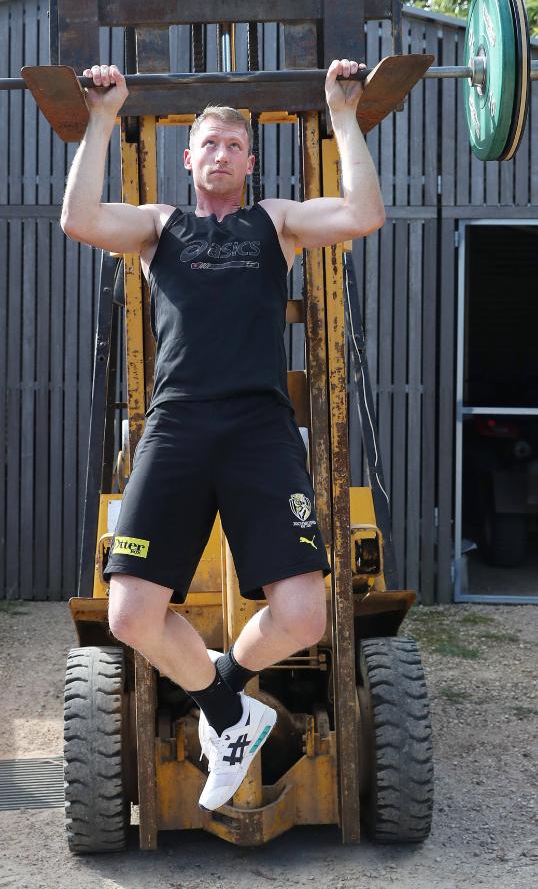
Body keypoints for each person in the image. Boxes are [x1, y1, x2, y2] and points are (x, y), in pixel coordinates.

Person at [60, 58, 385, 811]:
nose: (221, 154)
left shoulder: (274, 221)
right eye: (209, 144)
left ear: (249, 160)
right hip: (174, 427)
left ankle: (226, 700)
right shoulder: (156, 227)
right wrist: (103, 118)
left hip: (258, 429)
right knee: (130, 614)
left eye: (235, 145)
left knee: (306, 613)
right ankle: (231, 717)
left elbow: (365, 215)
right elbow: (77, 220)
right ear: (188, 157)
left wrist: (343, 113)